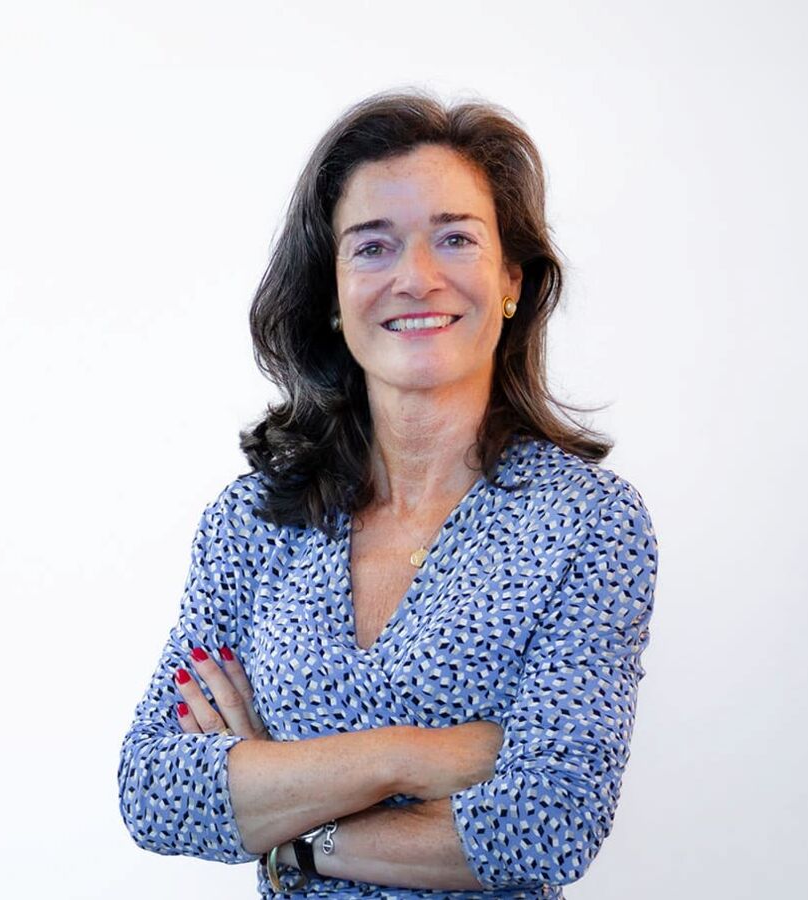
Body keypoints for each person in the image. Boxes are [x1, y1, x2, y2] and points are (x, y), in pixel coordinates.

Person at [116, 89, 659, 899]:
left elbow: (550, 821)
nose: (416, 277)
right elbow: (155, 790)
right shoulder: (254, 519)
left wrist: (283, 820)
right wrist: (408, 756)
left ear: (509, 277)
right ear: (330, 292)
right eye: (371, 247)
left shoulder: (586, 524)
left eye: (454, 238)